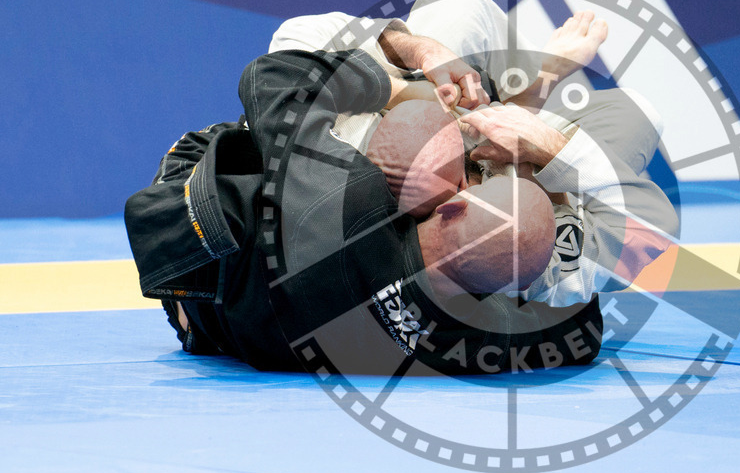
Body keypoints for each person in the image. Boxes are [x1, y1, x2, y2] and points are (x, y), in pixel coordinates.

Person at [125, 48, 603, 374]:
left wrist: (393, 88)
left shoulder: (344, 201)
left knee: (415, 130)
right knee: (422, 141)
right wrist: (554, 179)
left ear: (452, 208)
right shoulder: (477, 335)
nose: (473, 173)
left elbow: (271, 76)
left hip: (195, 259)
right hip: (227, 329)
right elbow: (584, 331)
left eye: (475, 180)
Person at [268, 0, 680, 307]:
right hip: (533, 186)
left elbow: (294, 41)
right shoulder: (531, 263)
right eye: (474, 172)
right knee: (639, 113)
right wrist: (548, 149)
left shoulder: (335, 149)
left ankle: (498, 99)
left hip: (401, 123)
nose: (470, 145)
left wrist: (412, 73)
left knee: (462, 10)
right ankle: (528, 99)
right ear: (457, 200)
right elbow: (653, 225)